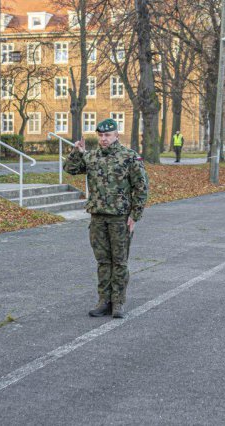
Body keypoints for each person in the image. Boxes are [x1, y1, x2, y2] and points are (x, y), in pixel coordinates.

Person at [63, 119, 148, 319]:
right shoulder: (92, 157)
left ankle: (118, 302)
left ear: (116, 136)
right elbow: (70, 169)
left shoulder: (129, 157)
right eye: (100, 135)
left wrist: (135, 215)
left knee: (119, 261)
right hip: (98, 217)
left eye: (107, 135)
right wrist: (77, 151)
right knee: (102, 261)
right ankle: (103, 301)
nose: (104, 139)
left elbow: (141, 187)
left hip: (120, 218)